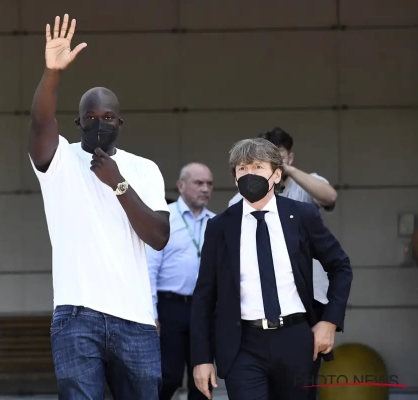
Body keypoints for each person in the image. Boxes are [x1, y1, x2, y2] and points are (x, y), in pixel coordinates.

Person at [28, 14, 170, 400]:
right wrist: (52, 73)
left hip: (135, 318)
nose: (99, 123)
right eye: (90, 117)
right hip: (76, 314)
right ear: (78, 122)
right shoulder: (61, 160)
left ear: (120, 122)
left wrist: (118, 183)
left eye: (107, 117)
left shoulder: (144, 169)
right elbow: (40, 122)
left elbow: (158, 236)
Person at [191, 138, 353, 400]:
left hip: (296, 339)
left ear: (276, 175)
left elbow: (340, 266)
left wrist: (329, 321)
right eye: (242, 168)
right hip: (242, 345)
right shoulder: (220, 226)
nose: (249, 174)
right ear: (234, 177)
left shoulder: (302, 216)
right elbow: (204, 295)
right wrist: (201, 357)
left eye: (258, 167)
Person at [227, 127, 338, 399]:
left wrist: (287, 170)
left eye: (279, 155)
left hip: (307, 303)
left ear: (290, 156)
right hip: (257, 313)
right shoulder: (240, 200)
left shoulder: (306, 189)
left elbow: (329, 197)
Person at [146, 162, 215, 400]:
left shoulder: (216, 222)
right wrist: (152, 312)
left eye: (209, 184)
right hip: (170, 307)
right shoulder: (165, 218)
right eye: (199, 183)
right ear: (181, 185)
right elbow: (150, 268)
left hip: (204, 309)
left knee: (203, 377)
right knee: (169, 376)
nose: (205, 188)